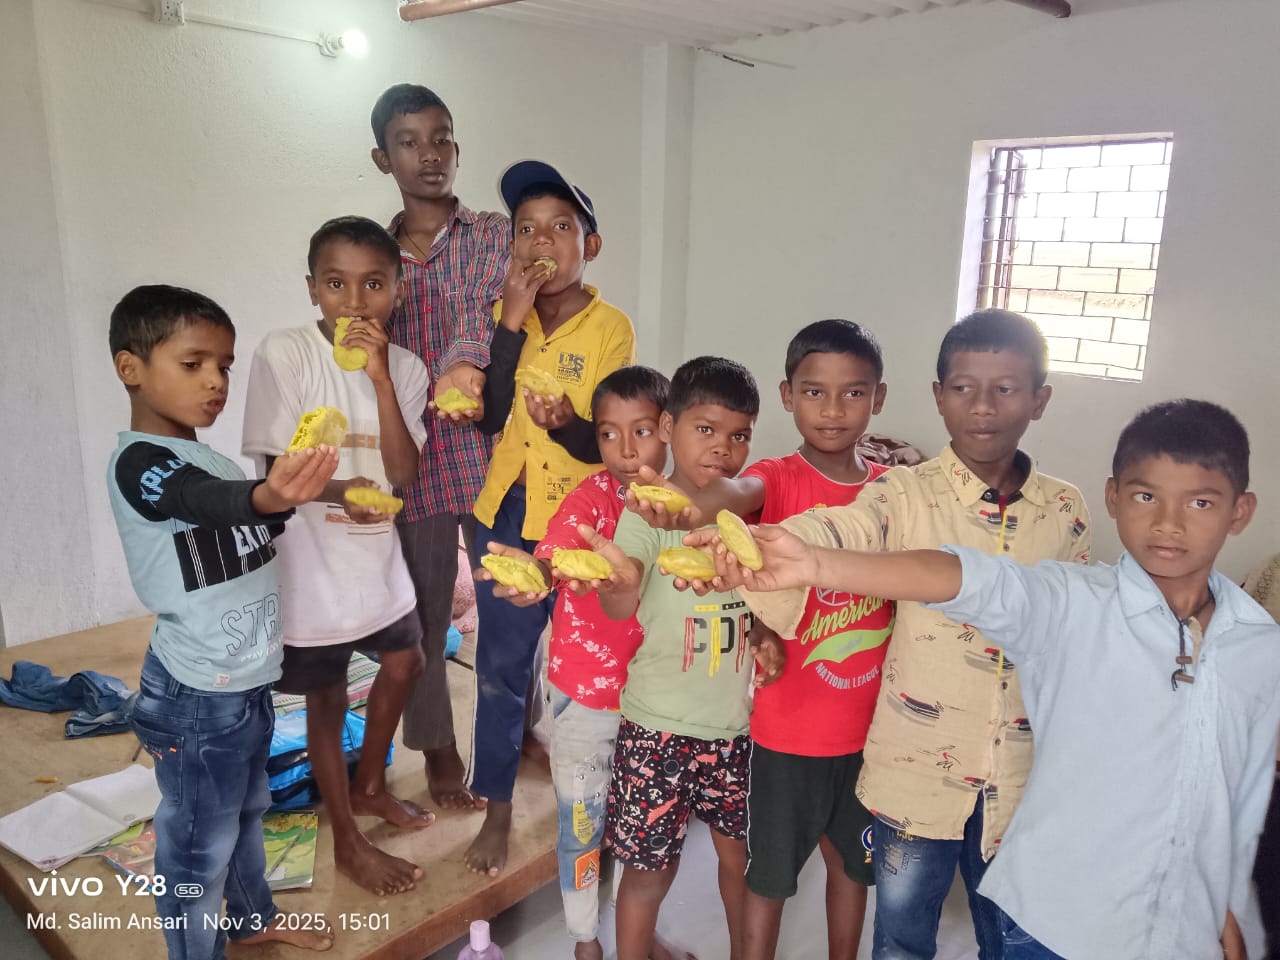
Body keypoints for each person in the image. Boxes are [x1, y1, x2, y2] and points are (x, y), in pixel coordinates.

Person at [699, 399, 1279, 960]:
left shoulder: (1258, 647)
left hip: (1164, 920)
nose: (1168, 523)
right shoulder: (1071, 601)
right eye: (1147, 496)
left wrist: (1221, 895)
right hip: (1053, 912)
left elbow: (1228, 791)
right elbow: (962, 575)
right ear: (1115, 498)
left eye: (1201, 502)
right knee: (909, 937)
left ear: (1241, 511)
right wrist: (816, 562)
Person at [719, 309, 1090, 959]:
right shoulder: (901, 497)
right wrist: (774, 551)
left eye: (1005, 388)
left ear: (1040, 399)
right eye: (964, 388)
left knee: (1018, 936)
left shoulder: (1065, 511)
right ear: (939, 397)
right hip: (911, 770)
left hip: (1015, 777)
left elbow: (1077, 629)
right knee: (900, 937)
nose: (983, 407)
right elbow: (841, 529)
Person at [629, 320, 893, 959]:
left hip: (874, 732)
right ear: (787, 395)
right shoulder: (773, 479)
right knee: (766, 879)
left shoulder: (892, 490)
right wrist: (686, 509)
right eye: (813, 392)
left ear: (878, 399)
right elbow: (728, 491)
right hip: (783, 734)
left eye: (852, 393)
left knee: (852, 871)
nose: (832, 410)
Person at [106, 284, 338, 959]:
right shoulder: (141, 462)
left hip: (242, 685)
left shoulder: (207, 456)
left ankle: (249, 920)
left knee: (244, 815)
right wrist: (261, 494)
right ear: (131, 368)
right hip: (194, 697)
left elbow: (236, 527)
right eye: (193, 363)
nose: (216, 382)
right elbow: (193, 500)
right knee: (196, 848)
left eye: (225, 366)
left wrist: (282, 501)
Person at [241, 216, 433, 896]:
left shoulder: (407, 368)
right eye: (337, 284)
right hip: (309, 559)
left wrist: (380, 376)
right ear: (313, 289)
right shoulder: (286, 353)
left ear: (398, 292)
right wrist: (344, 488)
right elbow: (271, 467)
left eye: (373, 285)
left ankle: (372, 781)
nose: (355, 303)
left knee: (404, 661)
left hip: (374, 553)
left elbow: (404, 475)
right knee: (323, 698)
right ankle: (347, 834)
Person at [464, 159, 637, 878]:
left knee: (587, 663)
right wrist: (508, 320)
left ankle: (600, 793)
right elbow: (490, 411)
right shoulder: (506, 315)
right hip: (504, 508)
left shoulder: (611, 328)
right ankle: (498, 807)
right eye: (526, 230)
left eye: (560, 227)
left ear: (587, 245)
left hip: (580, 517)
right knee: (502, 665)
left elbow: (603, 435)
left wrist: (569, 421)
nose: (542, 242)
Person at [477, 366, 673, 960]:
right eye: (609, 434)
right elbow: (556, 554)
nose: (624, 448)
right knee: (582, 826)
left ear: (667, 428)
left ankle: (639, 933)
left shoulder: (683, 506)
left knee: (646, 836)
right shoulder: (590, 498)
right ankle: (585, 938)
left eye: (641, 430)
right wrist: (533, 576)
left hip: (656, 700)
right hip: (584, 695)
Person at [577, 356, 760, 960]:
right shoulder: (647, 511)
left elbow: (760, 598)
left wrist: (766, 638)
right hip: (658, 729)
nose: (722, 449)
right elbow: (620, 603)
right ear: (670, 426)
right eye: (705, 429)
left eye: (738, 435)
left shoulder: (746, 511)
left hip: (735, 728)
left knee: (742, 864)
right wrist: (616, 580)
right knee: (651, 871)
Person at [370, 83, 508, 809]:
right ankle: (440, 756)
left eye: (442, 137)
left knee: (514, 606)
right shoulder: (374, 257)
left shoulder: (494, 234)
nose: (429, 154)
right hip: (416, 467)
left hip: (494, 457)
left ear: (457, 147)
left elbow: (499, 307)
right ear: (382, 156)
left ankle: (517, 732)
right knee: (421, 615)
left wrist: (464, 360)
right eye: (409, 141)